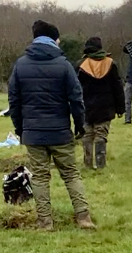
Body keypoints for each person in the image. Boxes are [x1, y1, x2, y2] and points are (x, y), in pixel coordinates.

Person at [8, 20, 95, 231]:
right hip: (60, 132)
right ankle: (83, 218)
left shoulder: (21, 65)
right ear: (54, 40)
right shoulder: (64, 65)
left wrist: (20, 128)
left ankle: (45, 222)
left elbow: (14, 100)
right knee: (71, 174)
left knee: (39, 177)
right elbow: (76, 98)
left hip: (33, 133)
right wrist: (79, 125)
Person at [76, 36, 125, 169]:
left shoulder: (81, 65)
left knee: (87, 135)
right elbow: (118, 87)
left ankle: (88, 164)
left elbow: (76, 88)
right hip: (106, 106)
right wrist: (120, 108)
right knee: (101, 134)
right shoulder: (110, 63)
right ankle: (100, 164)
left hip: (86, 106)